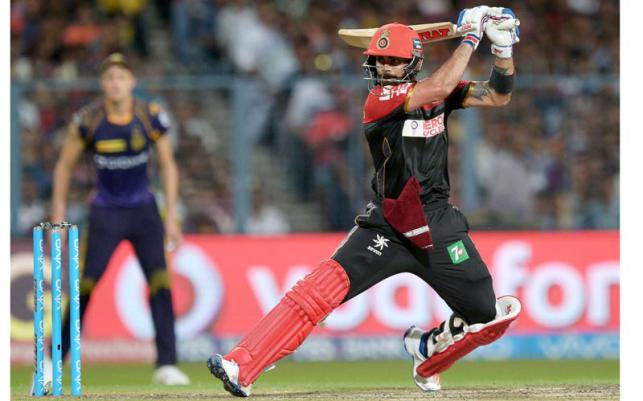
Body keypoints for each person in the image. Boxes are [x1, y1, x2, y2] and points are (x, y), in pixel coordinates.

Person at [207, 6, 521, 397]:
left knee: (488, 316)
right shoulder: (380, 99)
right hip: (389, 226)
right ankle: (242, 364)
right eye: (381, 60)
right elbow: (437, 88)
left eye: (395, 60)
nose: (387, 67)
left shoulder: (441, 92)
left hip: (438, 224)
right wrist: (471, 38)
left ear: (413, 62)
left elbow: (497, 96)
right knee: (315, 293)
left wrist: (503, 50)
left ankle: (428, 347)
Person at [51, 53, 189, 385]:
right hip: (105, 211)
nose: (116, 83)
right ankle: (56, 360)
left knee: (160, 283)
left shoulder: (150, 115)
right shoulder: (88, 119)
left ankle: (167, 364)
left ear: (132, 83)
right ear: (103, 84)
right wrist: (58, 213)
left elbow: (169, 164)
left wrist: (171, 216)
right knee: (84, 285)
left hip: (144, 211)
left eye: (121, 78)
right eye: (110, 78)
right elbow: (64, 165)